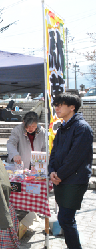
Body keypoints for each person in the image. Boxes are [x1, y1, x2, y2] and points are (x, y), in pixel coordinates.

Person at [48, 93, 93, 249]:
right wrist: (51, 171)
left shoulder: (82, 128)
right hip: (61, 179)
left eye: (60, 104)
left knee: (66, 218)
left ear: (72, 107)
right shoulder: (62, 128)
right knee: (64, 219)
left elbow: (75, 159)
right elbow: (53, 153)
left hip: (74, 180)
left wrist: (58, 174)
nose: (57, 108)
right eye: (56, 105)